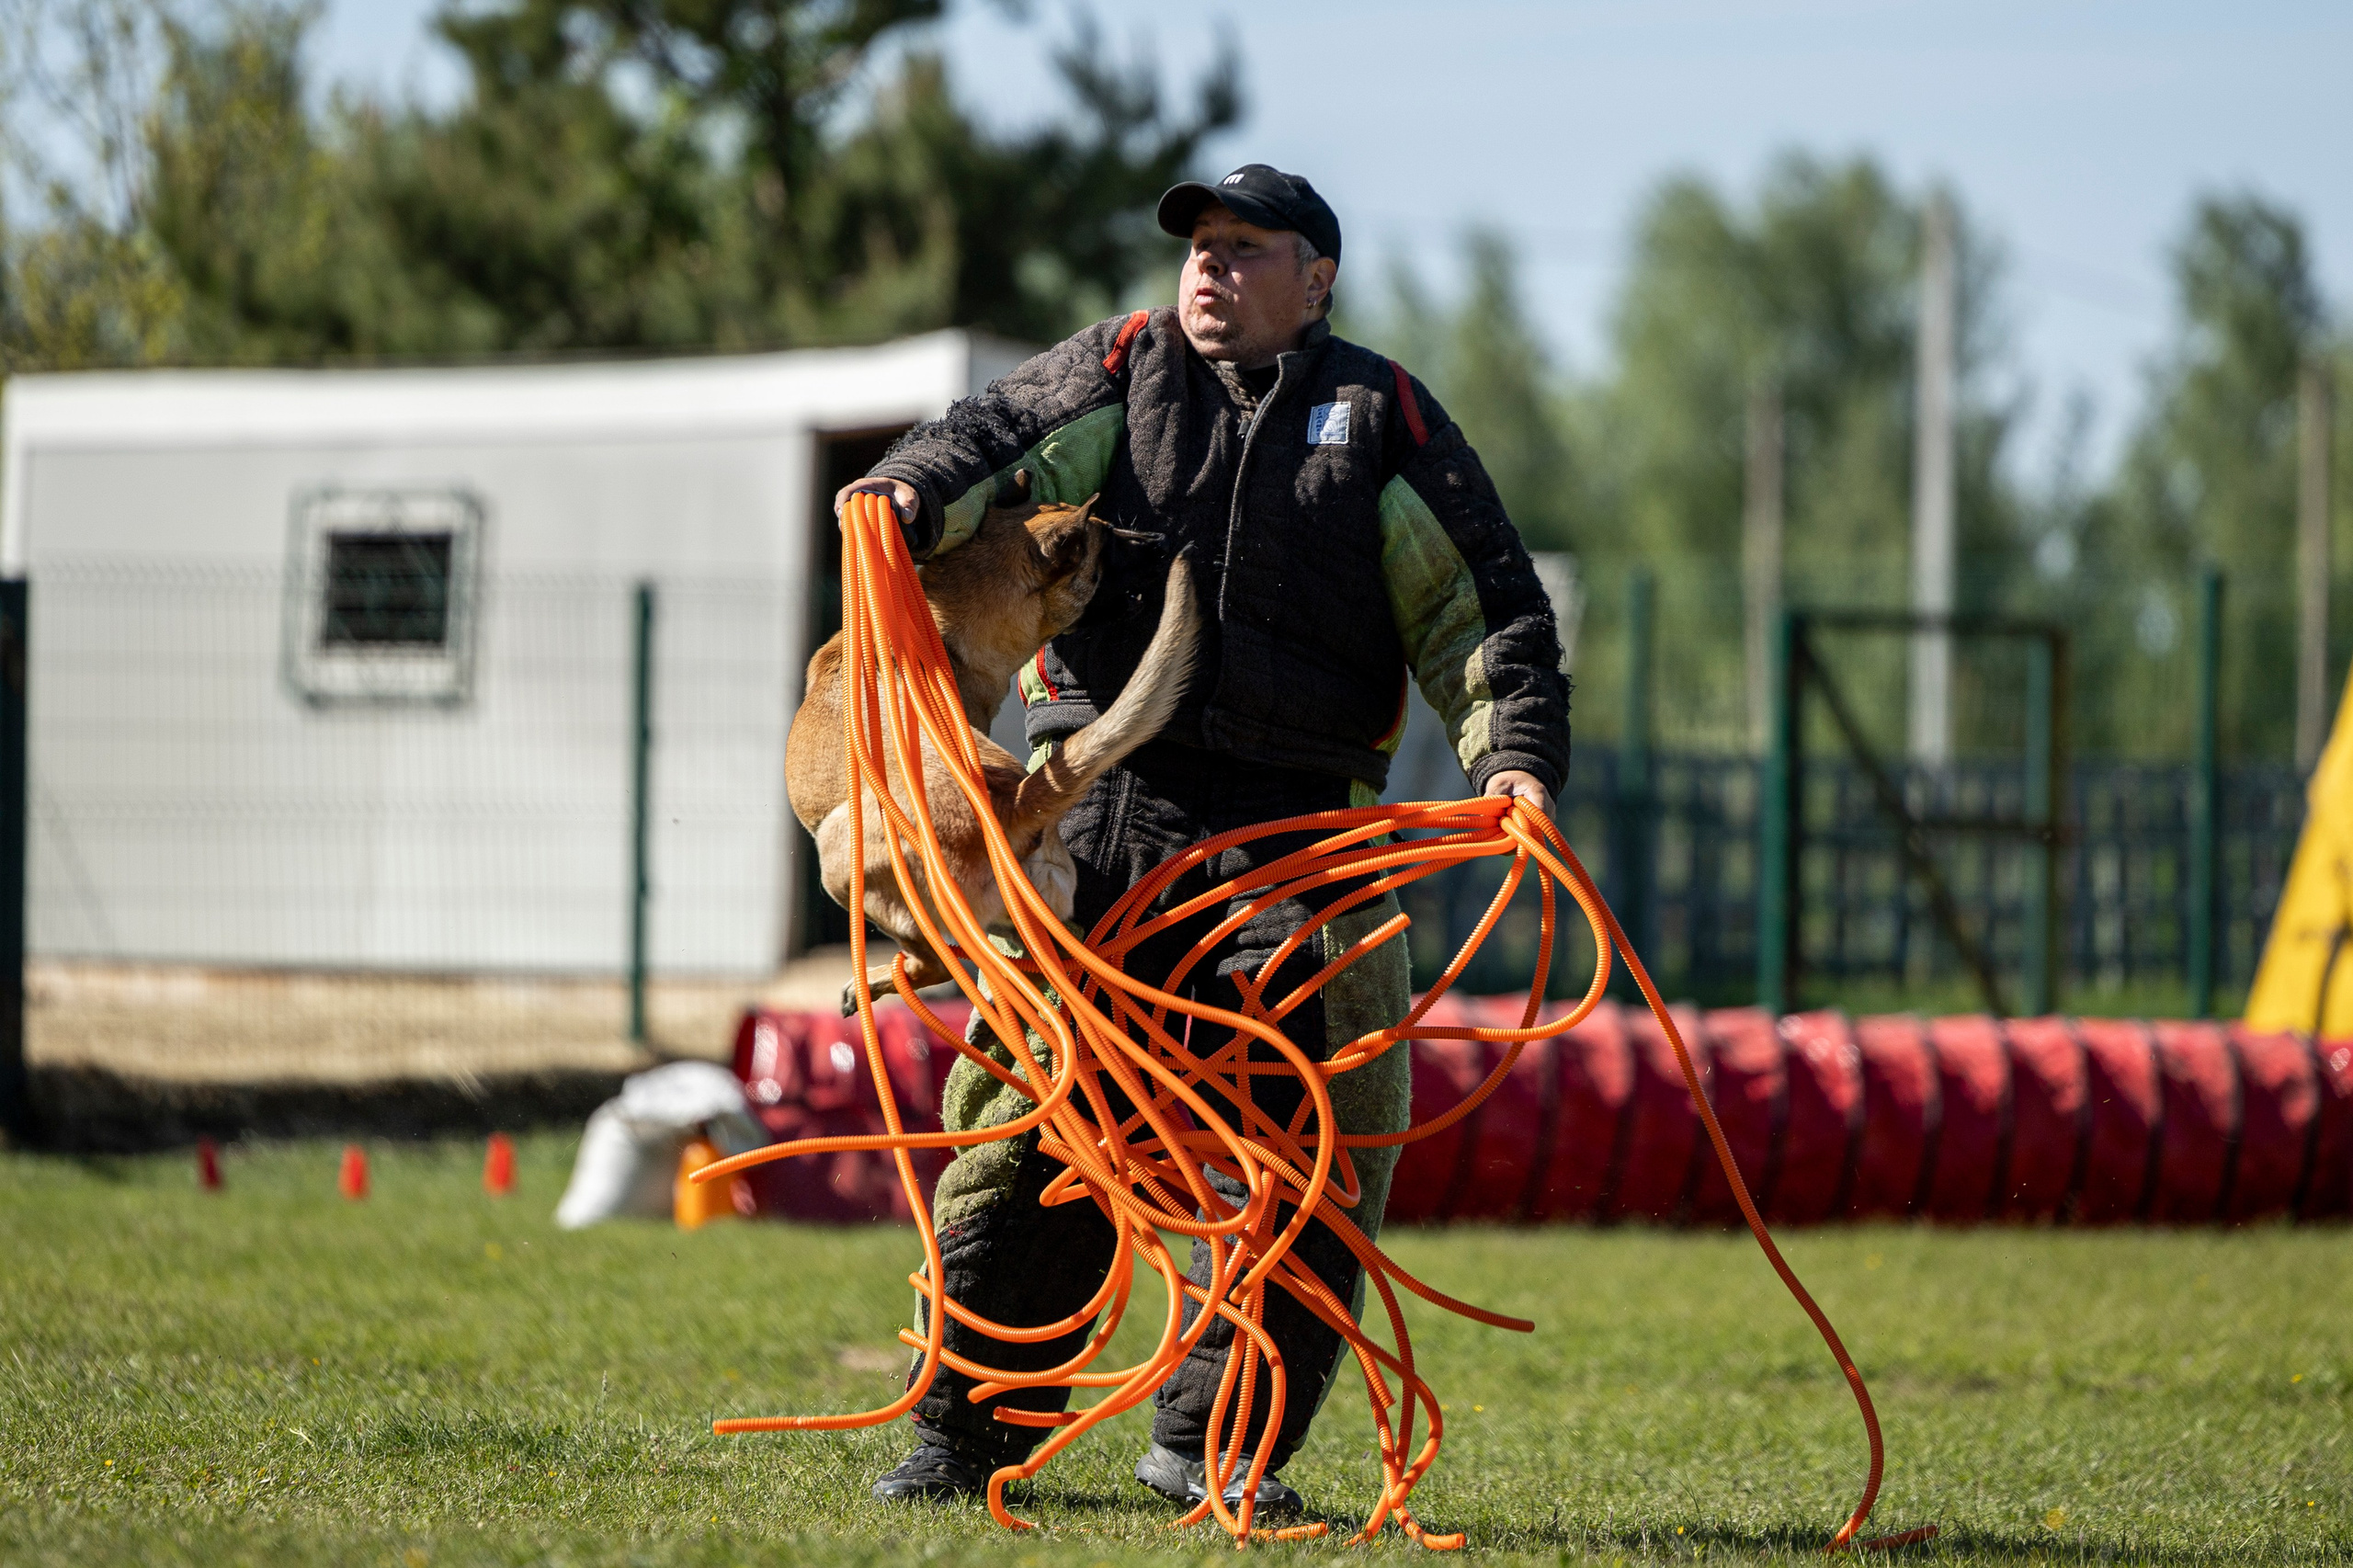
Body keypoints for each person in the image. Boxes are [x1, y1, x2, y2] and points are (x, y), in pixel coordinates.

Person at [834, 164, 1570, 1512]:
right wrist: (899, 495)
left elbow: (1487, 613)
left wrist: (1513, 762)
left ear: (1318, 278)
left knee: (1327, 1144)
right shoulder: (1124, 369)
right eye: (1200, 247)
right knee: (1034, 1120)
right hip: (1101, 802)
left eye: (1246, 248)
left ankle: (1212, 1451)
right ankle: (965, 1434)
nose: (1210, 269)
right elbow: (992, 440)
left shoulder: (1386, 417)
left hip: (1306, 834)